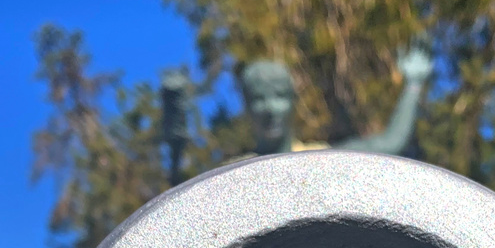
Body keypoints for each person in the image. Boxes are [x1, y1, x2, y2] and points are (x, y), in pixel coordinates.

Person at [161, 46, 433, 185]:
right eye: (259, 99)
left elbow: (389, 144)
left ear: (293, 102)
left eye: (278, 96)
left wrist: (413, 84)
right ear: (246, 107)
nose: (269, 109)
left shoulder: (319, 160)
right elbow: (183, 201)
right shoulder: (235, 173)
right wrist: (175, 133)